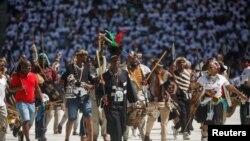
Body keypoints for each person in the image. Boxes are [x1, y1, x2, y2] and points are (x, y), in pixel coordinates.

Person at [194, 58, 248, 141]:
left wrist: (240, 94)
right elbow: (195, 87)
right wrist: (205, 90)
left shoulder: (222, 78)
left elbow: (231, 87)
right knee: (206, 124)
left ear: (216, 70)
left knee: (217, 123)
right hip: (206, 103)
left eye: (211, 68)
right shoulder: (202, 78)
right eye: (208, 67)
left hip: (217, 103)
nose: (209, 69)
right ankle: (204, 137)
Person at [63, 49, 95, 141]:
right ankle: (67, 138)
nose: (85, 57)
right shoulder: (70, 67)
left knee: (88, 116)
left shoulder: (87, 68)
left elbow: (92, 80)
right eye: (83, 55)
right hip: (73, 96)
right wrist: (86, 85)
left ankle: (91, 139)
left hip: (85, 96)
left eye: (85, 55)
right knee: (72, 118)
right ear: (78, 56)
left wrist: (95, 83)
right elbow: (72, 80)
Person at [10, 60, 45, 141]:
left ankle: (22, 133)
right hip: (21, 102)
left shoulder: (33, 75)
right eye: (27, 66)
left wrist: (42, 100)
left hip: (31, 102)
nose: (29, 68)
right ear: (22, 67)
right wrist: (19, 88)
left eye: (30, 66)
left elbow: (37, 88)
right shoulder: (16, 76)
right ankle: (28, 139)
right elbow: (10, 89)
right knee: (26, 120)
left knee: (30, 123)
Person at [123, 51, 151, 141]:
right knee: (128, 119)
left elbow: (152, 80)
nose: (135, 59)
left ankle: (143, 138)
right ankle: (125, 138)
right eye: (133, 58)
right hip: (129, 98)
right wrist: (126, 62)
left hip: (142, 97)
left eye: (137, 58)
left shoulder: (145, 68)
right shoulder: (125, 68)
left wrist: (147, 82)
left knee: (142, 118)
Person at [143, 59, 172, 141]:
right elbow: (143, 84)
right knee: (151, 120)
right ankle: (147, 136)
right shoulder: (149, 75)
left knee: (164, 122)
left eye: (160, 67)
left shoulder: (166, 73)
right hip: (153, 102)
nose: (159, 68)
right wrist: (144, 82)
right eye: (157, 67)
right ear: (153, 66)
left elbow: (171, 86)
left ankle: (164, 139)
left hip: (164, 101)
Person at [0, 57, 8, 141]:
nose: (2, 67)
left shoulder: (4, 78)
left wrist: (5, 102)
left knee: (4, 125)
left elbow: (4, 92)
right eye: (1, 65)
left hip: (2, 105)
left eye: (3, 65)